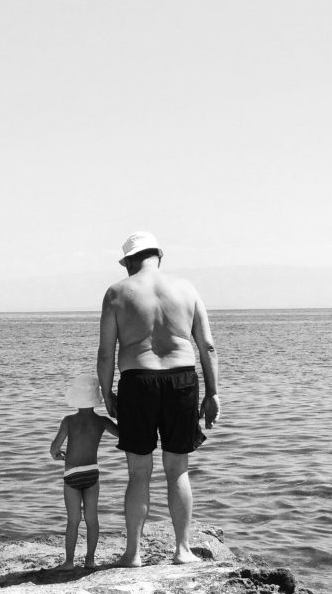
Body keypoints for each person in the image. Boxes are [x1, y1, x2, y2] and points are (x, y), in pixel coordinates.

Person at [98, 231, 220, 566]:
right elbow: (206, 345)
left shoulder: (117, 293)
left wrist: (106, 392)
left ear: (131, 261)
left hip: (137, 382)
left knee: (138, 471)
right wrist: (212, 393)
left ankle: (133, 554)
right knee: (177, 469)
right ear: (159, 256)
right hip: (181, 380)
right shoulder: (186, 289)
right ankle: (182, 550)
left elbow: (106, 353)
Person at [49, 374, 119, 570]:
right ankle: (90, 560)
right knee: (92, 518)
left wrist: (58, 455)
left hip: (72, 474)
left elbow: (54, 448)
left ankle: (69, 562)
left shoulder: (68, 420)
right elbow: (123, 434)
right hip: (92, 473)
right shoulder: (102, 421)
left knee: (73, 520)